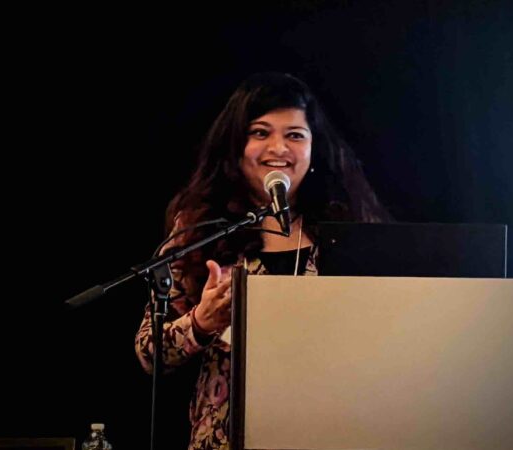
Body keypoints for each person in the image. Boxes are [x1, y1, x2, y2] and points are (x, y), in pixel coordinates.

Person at [135, 72, 390, 450]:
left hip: (332, 433)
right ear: (236, 147)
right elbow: (149, 353)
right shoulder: (200, 230)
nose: (278, 148)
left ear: (314, 149)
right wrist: (200, 323)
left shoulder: (351, 226)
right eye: (260, 132)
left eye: (295, 135)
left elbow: (389, 334)